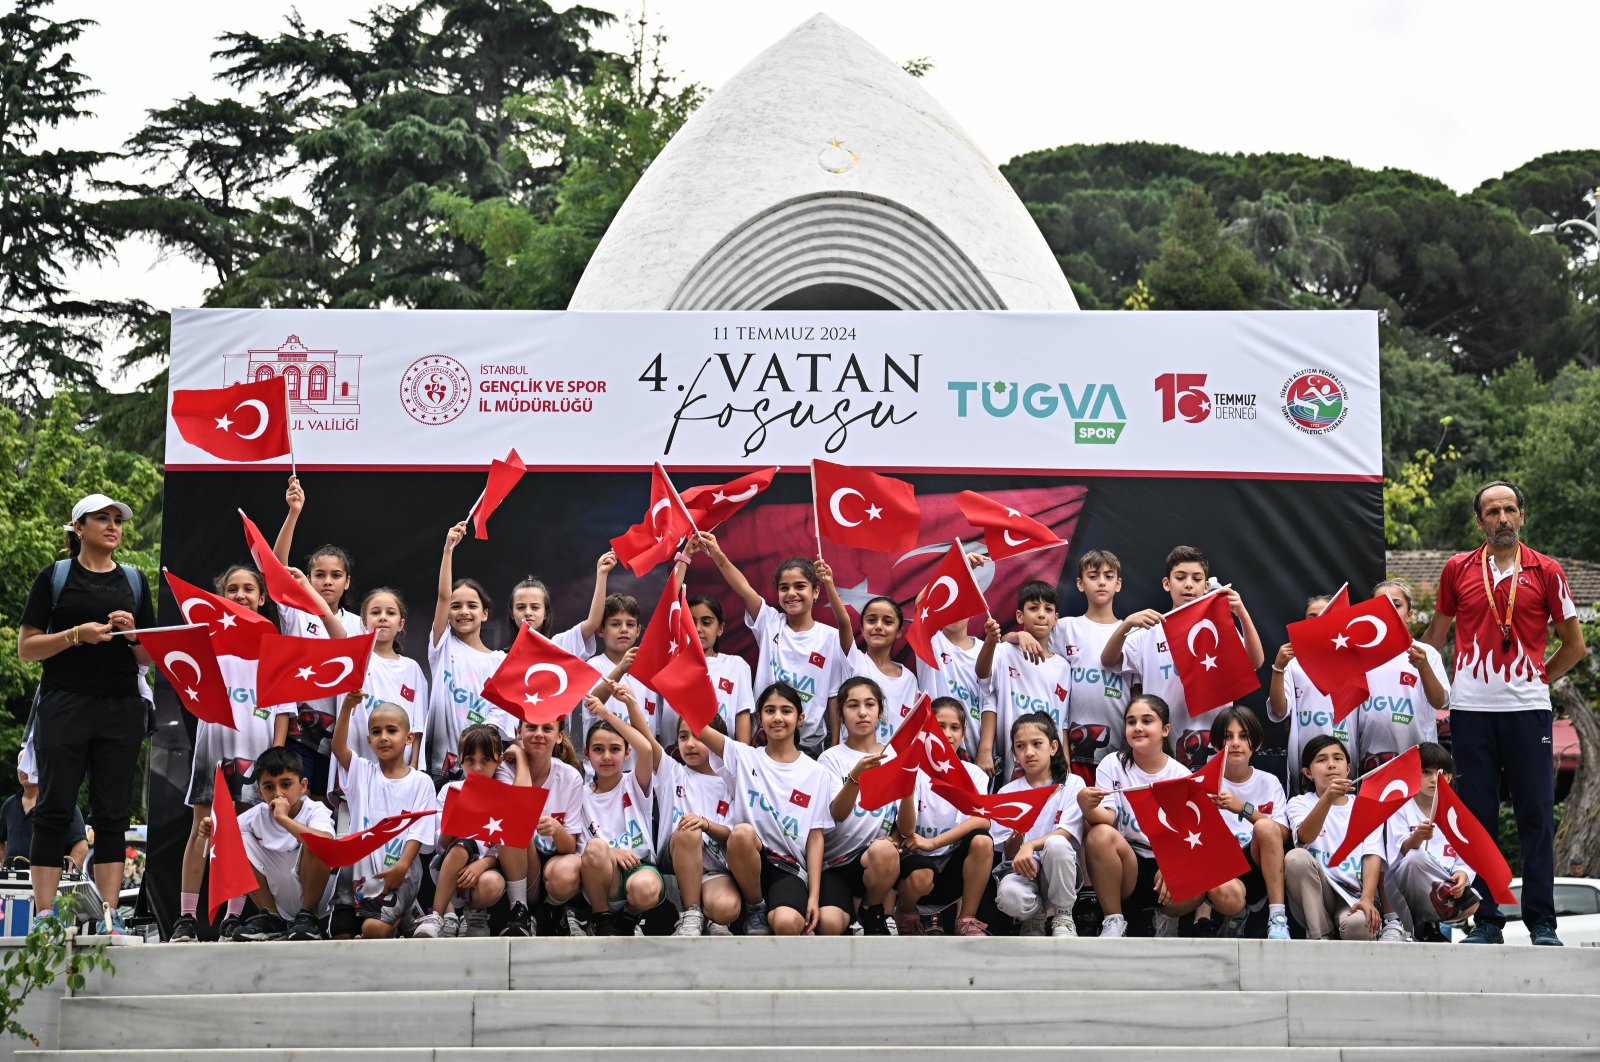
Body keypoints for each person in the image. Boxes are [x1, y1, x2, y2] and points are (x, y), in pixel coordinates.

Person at [1423, 480, 1587, 947]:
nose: (1501, 519)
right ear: (1479, 522)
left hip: (1528, 712)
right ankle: (1489, 921)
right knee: (1478, 817)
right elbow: (1436, 637)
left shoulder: (1547, 570)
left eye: (1509, 509)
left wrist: (1537, 676)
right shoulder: (1457, 569)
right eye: (1491, 512)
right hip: (1471, 710)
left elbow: (1574, 646)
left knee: (1536, 814)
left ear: (1522, 515)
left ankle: (1542, 923)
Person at [17, 493, 156, 938]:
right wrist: (76, 634)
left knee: (113, 814)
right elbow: (26, 649)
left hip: (120, 708)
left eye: (118, 519)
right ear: (78, 527)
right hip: (64, 703)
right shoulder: (54, 577)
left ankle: (108, 918)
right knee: (54, 807)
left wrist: (132, 633)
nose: (113, 526)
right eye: (102, 518)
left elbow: (148, 657)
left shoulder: (134, 580)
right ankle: (44, 917)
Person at [172, 564, 297, 943]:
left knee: (243, 836)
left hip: (257, 758)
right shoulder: (207, 642)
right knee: (202, 831)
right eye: (232, 589)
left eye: (248, 589)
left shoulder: (273, 647)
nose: (240, 595)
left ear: (262, 598)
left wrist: (274, 760)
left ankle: (233, 917)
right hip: (215, 752)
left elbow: (282, 714)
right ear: (220, 597)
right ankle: (187, 918)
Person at [1084, 694, 1245, 938]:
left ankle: (1165, 917)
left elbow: (1190, 837)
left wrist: (1173, 865)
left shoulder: (1179, 774)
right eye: (1131, 722)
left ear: (1166, 729)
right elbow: (1106, 818)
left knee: (1224, 893)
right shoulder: (1112, 763)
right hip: (1130, 865)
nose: (1137, 727)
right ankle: (1113, 921)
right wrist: (1085, 805)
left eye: (1147, 721)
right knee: (1099, 834)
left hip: (1167, 863)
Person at [1101, 545, 1265, 768]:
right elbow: (1108, 660)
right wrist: (1127, 625)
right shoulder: (1149, 630)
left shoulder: (1218, 623)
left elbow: (1255, 662)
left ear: (1206, 585)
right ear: (1167, 583)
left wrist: (1241, 613)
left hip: (1212, 742)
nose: (1189, 584)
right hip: (1163, 746)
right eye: (1181, 577)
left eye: (1197, 579)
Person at [698, 682, 835, 935]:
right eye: (770, 711)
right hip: (746, 863)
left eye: (786, 710)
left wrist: (814, 897)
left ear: (800, 717)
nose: (778, 718)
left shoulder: (818, 773)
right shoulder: (744, 756)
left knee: (787, 923)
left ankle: (776, 910)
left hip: (789, 867)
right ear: (759, 718)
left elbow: (816, 838)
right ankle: (755, 908)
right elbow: (698, 726)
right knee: (741, 833)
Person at [698, 533, 848, 755]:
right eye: (784, 587)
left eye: (800, 586)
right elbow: (743, 588)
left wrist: (835, 746)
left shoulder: (831, 637)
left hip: (810, 746)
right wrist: (719, 556)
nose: (791, 594)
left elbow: (834, 696)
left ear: (816, 591)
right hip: (765, 739)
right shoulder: (769, 622)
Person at [272, 477, 360, 798]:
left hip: (338, 740)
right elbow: (276, 569)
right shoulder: (296, 613)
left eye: (336, 575)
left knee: (327, 813)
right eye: (319, 575)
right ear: (307, 578)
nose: (327, 581)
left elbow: (351, 655)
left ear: (347, 582)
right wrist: (294, 513)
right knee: (299, 807)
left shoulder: (357, 624)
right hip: (298, 736)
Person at [330, 691, 438, 939]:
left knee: (373, 929)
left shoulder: (421, 781)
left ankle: (404, 914)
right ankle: (405, 913)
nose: (384, 737)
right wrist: (346, 708)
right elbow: (338, 747)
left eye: (392, 730)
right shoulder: (361, 772)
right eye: (376, 732)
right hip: (357, 878)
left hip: (400, 874)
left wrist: (400, 867)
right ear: (368, 740)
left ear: (409, 737)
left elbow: (418, 832)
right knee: (340, 936)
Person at [818, 677, 912, 936]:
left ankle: (872, 910)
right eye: (852, 705)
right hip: (836, 864)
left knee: (886, 850)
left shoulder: (895, 756)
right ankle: (850, 917)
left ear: (879, 711)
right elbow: (837, 813)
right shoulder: (830, 758)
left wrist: (907, 787)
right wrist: (856, 776)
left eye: (869, 704)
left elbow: (905, 829)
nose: (862, 712)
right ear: (841, 713)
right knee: (829, 924)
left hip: (875, 861)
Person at [897, 698, 998, 936]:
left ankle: (966, 920)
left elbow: (983, 819)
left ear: (963, 735)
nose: (947, 734)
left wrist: (933, 842)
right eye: (940, 726)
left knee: (983, 840)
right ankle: (905, 912)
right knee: (922, 874)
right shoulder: (913, 769)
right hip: (915, 864)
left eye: (955, 728)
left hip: (952, 865)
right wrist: (908, 783)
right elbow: (904, 828)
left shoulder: (974, 774)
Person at [1283, 735, 1395, 942]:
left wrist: (1368, 899)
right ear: (1307, 772)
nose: (1331, 765)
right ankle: (1320, 936)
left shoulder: (1365, 805)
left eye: (1337, 758)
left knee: (1361, 926)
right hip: (1318, 893)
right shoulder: (1298, 803)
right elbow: (1305, 836)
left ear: (1348, 769)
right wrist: (1327, 798)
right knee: (1295, 858)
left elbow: (1372, 855)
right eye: (1321, 760)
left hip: (1353, 896)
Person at [428, 521, 512, 786]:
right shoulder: (443, 646)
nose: (463, 611)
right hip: (442, 767)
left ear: (485, 613)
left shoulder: (499, 661)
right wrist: (447, 551)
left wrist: (480, 751)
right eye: (456, 606)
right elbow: (442, 597)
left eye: (472, 605)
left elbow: (500, 715)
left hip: (484, 768)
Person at [992, 711, 1088, 937]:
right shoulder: (1007, 792)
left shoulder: (1072, 783)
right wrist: (1018, 838)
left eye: (1037, 744)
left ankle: (1063, 914)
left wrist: (1030, 845)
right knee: (1007, 895)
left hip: (1059, 869)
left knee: (1056, 844)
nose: (1029, 752)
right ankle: (1034, 918)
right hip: (1023, 871)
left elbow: (1066, 833)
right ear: (1014, 752)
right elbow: (1008, 851)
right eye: (1020, 746)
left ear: (1053, 747)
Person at [413, 724, 515, 938]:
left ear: (499, 759)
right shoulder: (449, 791)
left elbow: (507, 847)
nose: (477, 768)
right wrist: (459, 815)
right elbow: (440, 844)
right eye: (470, 760)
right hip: (450, 868)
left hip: (487, 870)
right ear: (459, 759)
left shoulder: (506, 794)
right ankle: (438, 916)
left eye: (485, 760)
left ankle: (474, 914)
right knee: (461, 847)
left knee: (492, 883)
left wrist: (484, 863)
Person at [226, 745, 334, 942]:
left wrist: (283, 818)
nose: (278, 794)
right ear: (259, 791)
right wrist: (208, 829)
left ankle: (308, 918)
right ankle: (271, 918)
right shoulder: (255, 815)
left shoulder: (314, 810)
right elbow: (223, 837)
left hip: (318, 903)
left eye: (286, 784)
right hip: (279, 896)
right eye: (269, 787)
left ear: (302, 786)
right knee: (233, 839)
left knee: (316, 841)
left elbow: (325, 843)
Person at [578, 685, 663, 935]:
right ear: (586, 754)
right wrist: (611, 851)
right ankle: (601, 918)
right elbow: (580, 847)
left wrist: (607, 714)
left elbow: (646, 749)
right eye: (598, 750)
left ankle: (630, 919)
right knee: (595, 848)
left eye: (614, 749)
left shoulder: (634, 783)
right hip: (603, 875)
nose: (606, 756)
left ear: (627, 754)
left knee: (645, 888)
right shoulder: (580, 794)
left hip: (640, 867)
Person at [497, 716, 586, 937]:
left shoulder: (571, 777)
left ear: (559, 737)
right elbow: (520, 809)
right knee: (515, 823)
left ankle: (550, 911)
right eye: (531, 727)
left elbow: (569, 848)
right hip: (518, 866)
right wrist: (520, 757)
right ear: (519, 733)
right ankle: (520, 911)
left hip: (553, 865)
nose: (538, 733)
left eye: (547, 729)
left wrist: (557, 830)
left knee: (570, 868)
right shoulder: (504, 769)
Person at [1207, 706, 1292, 940]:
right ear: (1215, 745)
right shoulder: (1203, 782)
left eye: (1243, 736)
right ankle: (1236, 917)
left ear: (1256, 744)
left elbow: (1282, 835)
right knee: (1222, 889)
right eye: (1227, 736)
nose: (1235, 743)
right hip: (1222, 869)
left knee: (1265, 826)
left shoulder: (1269, 781)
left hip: (1258, 866)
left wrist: (1243, 809)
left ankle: (1277, 918)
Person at [1382, 742, 1480, 942]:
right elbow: (1396, 855)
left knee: (1472, 901)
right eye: (1426, 772)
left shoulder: (1458, 814)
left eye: (1441, 773)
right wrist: (1417, 838)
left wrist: (1461, 877)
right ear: (1413, 774)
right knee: (1415, 858)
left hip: (1442, 890)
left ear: (1450, 777)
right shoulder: (1400, 807)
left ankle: (1428, 926)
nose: (1434, 779)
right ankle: (1422, 925)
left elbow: (1465, 859)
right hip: (1402, 887)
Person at [976, 581, 1071, 787]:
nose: (1041, 614)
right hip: (1012, 766)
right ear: (1020, 616)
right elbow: (983, 676)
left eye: (1048, 609)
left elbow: (1062, 722)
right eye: (1033, 608)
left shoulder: (1063, 666)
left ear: (1056, 619)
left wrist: (1067, 768)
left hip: (1050, 767)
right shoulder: (1006, 651)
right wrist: (993, 640)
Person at [1050, 549, 1131, 783]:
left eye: (1108, 576)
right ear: (1080, 583)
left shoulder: (1133, 631)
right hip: (1072, 750)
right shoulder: (1065, 628)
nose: (1101, 582)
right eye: (1093, 576)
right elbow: (1037, 658)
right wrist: (1018, 637)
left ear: (1118, 584)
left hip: (1118, 752)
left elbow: (1137, 692)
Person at [657, 716, 739, 936]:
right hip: (674, 869)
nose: (690, 744)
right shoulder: (671, 772)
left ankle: (713, 918)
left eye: (699, 737)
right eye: (683, 737)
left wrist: (707, 824)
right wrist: (628, 705)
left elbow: (732, 836)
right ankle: (691, 914)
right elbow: (645, 740)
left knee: (727, 908)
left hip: (715, 870)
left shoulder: (731, 782)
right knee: (689, 831)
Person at [1356, 580, 1447, 774]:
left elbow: (1440, 702)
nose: (1388, 609)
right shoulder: (1357, 656)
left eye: (1396, 605)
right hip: (1369, 764)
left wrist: (1423, 667)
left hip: (1419, 763)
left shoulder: (1427, 653)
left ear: (1410, 614)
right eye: (1381, 604)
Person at [344, 587, 429, 791]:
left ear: (401, 624)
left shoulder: (412, 669)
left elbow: (418, 727)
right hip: (358, 769)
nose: (382, 617)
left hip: (401, 775)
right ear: (363, 622)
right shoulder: (353, 658)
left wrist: (414, 767)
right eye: (375, 612)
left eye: (390, 613)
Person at [1267, 593, 1353, 795]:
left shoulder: (1354, 662)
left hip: (1348, 758)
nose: (1318, 621)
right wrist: (1278, 668)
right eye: (1312, 617)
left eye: (1325, 615)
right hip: (1305, 765)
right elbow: (1279, 711)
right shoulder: (1293, 665)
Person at [837, 596, 924, 746]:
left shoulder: (910, 679)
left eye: (888, 622)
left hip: (894, 764)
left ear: (899, 632)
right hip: (854, 759)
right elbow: (843, 622)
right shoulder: (854, 660)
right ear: (862, 629)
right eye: (871, 620)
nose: (878, 626)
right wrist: (829, 583)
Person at [915, 616, 985, 757]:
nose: (954, 612)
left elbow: (991, 702)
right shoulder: (931, 640)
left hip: (975, 753)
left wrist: (985, 750)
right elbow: (920, 603)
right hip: (932, 747)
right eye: (950, 606)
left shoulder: (988, 649)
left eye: (961, 608)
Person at [0, 763, 88, 871]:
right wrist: (4, 866)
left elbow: (81, 846)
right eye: (21, 764)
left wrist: (69, 875)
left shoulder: (62, 803)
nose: (24, 769)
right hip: (11, 882)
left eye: (29, 763)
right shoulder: (9, 805)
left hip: (50, 881)